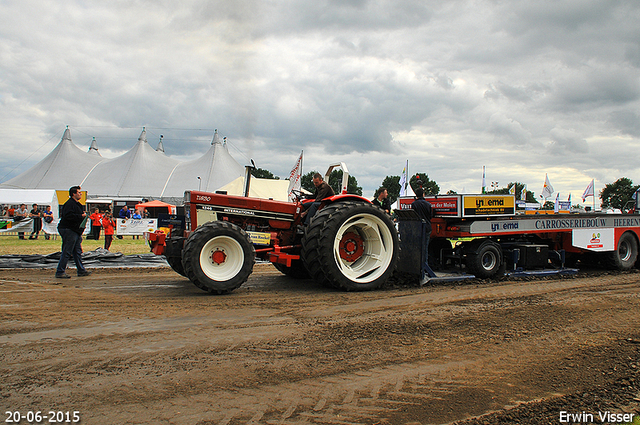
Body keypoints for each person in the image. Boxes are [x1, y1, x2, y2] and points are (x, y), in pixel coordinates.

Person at [55, 186, 91, 279]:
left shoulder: (77, 204)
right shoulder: (70, 204)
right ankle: (60, 271)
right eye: (79, 192)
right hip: (69, 229)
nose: (81, 194)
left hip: (75, 230)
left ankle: (81, 270)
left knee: (77, 251)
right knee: (67, 251)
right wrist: (81, 216)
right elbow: (68, 216)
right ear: (73, 194)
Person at [411, 187, 436, 278]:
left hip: (417, 228)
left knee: (417, 247)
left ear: (416, 195)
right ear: (423, 194)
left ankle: (417, 266)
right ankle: (425, 266)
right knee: (425, 247)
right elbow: (430, 216)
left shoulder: (414, 204)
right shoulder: (428, 204)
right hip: (427, 227)